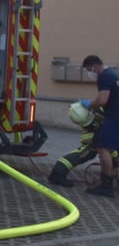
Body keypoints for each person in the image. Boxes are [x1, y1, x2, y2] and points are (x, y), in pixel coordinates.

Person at [48, 102, 115, 187]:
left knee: (106, 148)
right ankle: (58, 172)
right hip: (103, 130)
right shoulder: (97, 110)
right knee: (89, 151)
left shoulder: (104, 109)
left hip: (107, 128)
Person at [79, 55, 119, 196]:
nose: (90, 72)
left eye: (89, 69)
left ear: (95, 66)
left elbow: (103, 99)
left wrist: (90, 105)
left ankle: (106, 185)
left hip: (114, 117)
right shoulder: (113, 73)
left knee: (103, 148)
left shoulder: (104, 77)